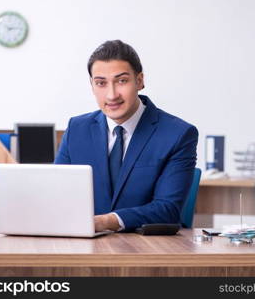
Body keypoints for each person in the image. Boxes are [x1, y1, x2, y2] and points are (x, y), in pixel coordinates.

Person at [55, 40, 198, 232]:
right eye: (101, 83)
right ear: (92, 85)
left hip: (147, 250)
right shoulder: (77, 129)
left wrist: (106, 222)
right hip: (84, 246)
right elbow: (56, 196)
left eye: (121, 81)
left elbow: (168, 209)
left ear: (139, 81)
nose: (112, 95)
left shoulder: (178, 134)